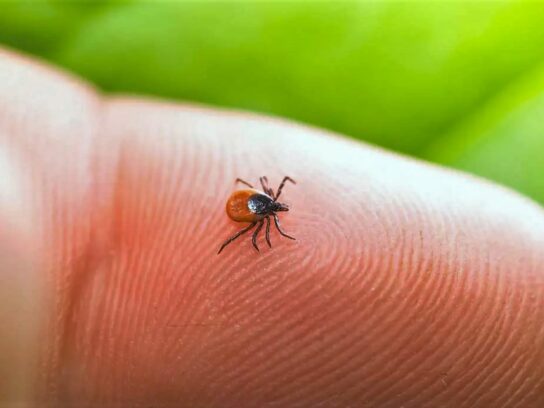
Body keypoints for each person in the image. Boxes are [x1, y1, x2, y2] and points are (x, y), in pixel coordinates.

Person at [1, 48, 543, 407]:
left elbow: (258, 195)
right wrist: (267, 226)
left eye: (274, 210)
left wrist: (263, 210)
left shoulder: (258, 198)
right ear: (270, 203)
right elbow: (258, 209)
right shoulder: (259, 205)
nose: (276, 212)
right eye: (275, 209)